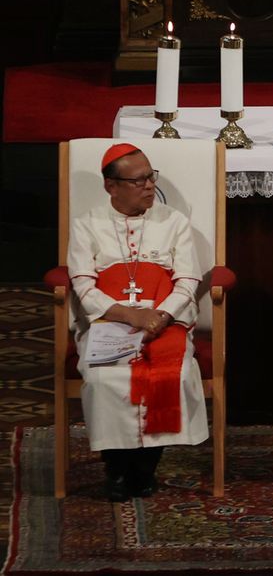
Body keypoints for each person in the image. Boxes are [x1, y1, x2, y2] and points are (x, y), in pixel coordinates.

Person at [67, 143, 209, 502]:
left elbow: (188, 280)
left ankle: (144, 471)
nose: (149, 186)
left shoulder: (173, 221)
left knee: (170, 374)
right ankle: (116, 471)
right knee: (104, 378)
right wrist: (132, 315)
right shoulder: (87, 225)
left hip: (166, 319)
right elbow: (82, 284)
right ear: (111, 186)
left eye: (151, 177)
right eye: (138, 180)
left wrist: (160, 316)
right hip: (108, 319)